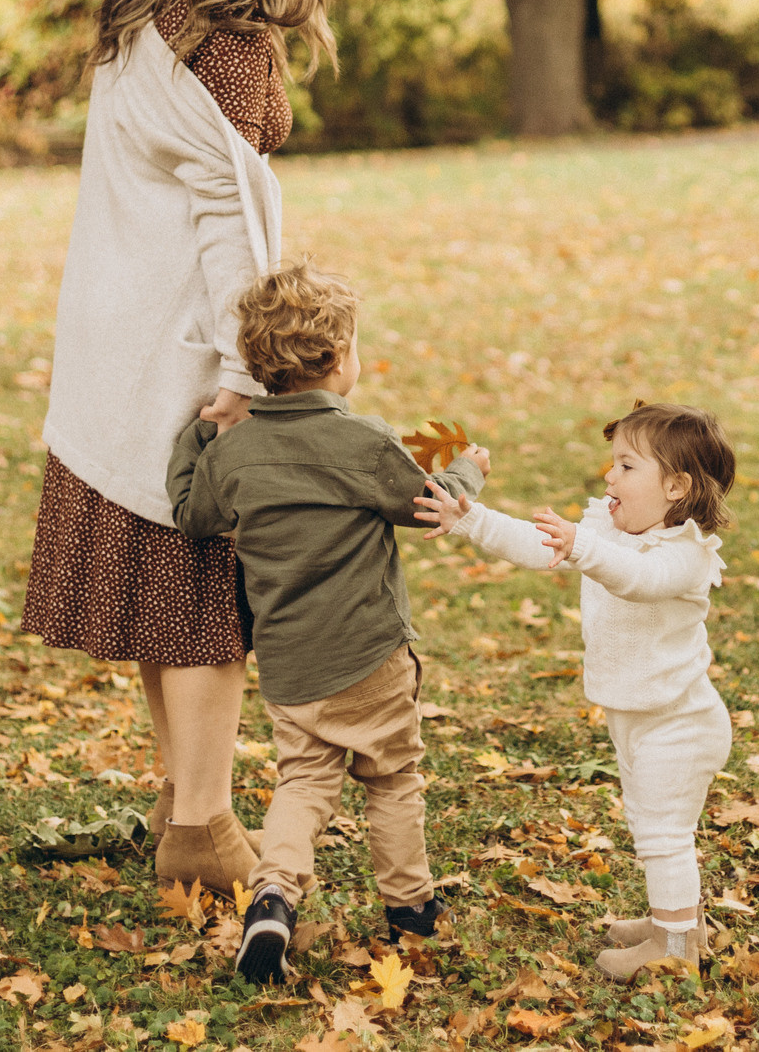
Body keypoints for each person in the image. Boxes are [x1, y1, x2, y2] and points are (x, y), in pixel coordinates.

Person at [23, 0, 338, 894]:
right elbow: (231, 229)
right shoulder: (231, 50)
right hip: (185, 343)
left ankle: (177, 799)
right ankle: (203, 825)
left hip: (113, 325)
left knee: (167, 589)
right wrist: (250, 371)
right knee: (206, 597)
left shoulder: (143, 13)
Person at [167, 262, 487, 981]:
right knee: (391, 777)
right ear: (341, 359)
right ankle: (410, 908)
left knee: (303, 783)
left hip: (289, 666)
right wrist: (468, 472)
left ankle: (274, 894)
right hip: (370, 655)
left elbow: (194, 516)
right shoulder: (364, 443)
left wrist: (199, 438)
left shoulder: (238, 453)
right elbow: (426, 502)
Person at [415, 404, 734, 981]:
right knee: (647, 823)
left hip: (681, 723)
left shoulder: (684, 555)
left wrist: (584, 547)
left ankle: (677, 947)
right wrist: (471, 519)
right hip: (636, 717)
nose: (609, 477)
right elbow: (542, 547)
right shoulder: (609, 532)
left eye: (626, 466)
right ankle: (675, 920)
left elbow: (639, 581)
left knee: (664, 833)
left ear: (676, 486)